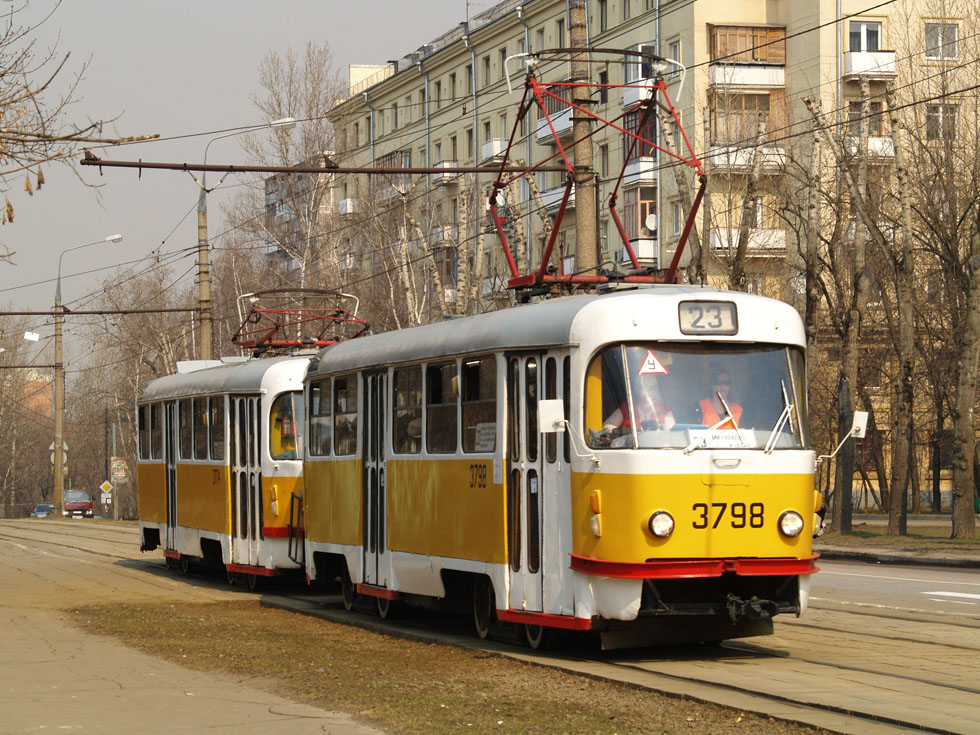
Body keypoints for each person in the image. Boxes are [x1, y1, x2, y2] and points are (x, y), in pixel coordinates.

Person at [603, 374, 676, 431]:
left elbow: (672, 436)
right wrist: (624, 432)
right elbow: (606, 427)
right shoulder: (627, 408)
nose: (648, 392)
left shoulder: (665, 411)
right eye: (644, 388)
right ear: (637, 389)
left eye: (652, 388)